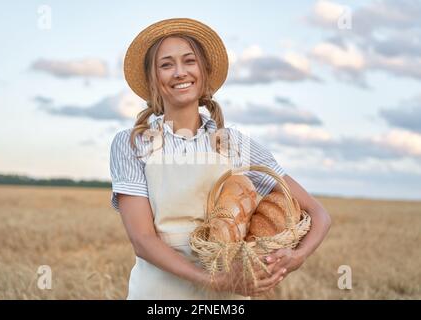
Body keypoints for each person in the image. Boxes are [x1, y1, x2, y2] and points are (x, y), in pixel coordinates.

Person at [110, 18, 331, 300]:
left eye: (189, 61)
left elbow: (318, 213)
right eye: (166, 65)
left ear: (204, 72)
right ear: (153, 78)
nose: (179, 72)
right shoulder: (132, 143)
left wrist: (297, 256)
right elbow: (143, 240)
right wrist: (215, 282)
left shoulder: (235, 144)